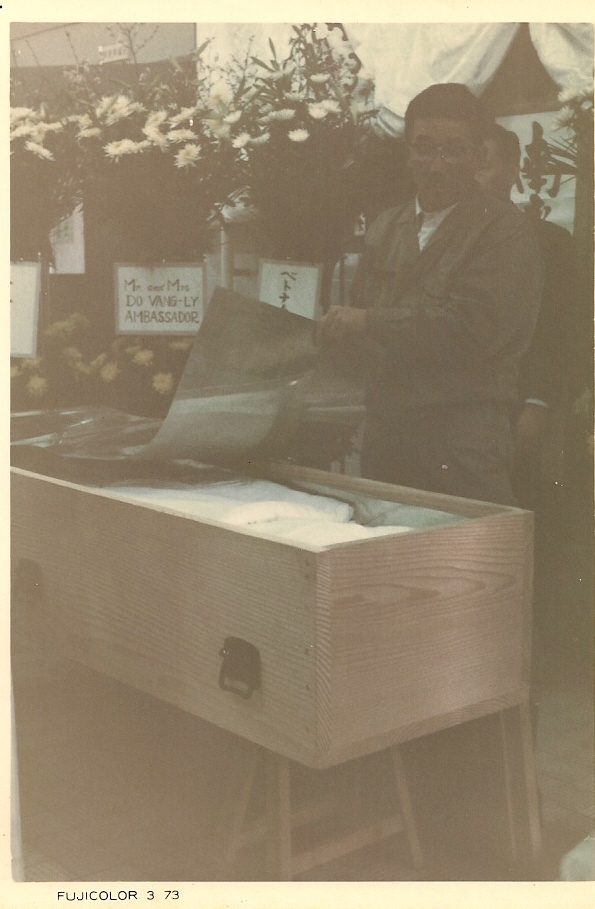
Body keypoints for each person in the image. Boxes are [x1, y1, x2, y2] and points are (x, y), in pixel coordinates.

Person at [317, 83, 543, 506]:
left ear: (480, 155)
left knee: (468, 546)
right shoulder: (386, 226)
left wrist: (366, 322)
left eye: (453, 151)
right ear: (407, 152)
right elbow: (361, 327)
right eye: (423, 149)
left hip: (462, 445)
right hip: (387, 440)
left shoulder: (505, 231)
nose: (436, 166)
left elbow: (471, 331)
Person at [475, 123, 576, 511]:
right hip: (451, 408)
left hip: (516, 402)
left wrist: (538, 401)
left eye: (485, 165)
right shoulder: (438, 239)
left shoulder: (548, 241)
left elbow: (557, 330)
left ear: (513, 170)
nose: (474, 177)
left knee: (514, 508)